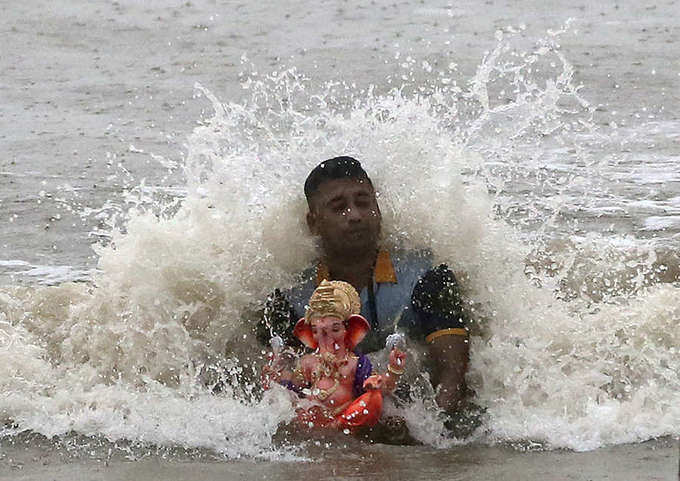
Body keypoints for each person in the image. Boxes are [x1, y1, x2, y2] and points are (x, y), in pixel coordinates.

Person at [257, 156, 470, 420]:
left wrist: (422, 436)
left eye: (363, 202)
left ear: (377, 209)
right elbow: (276, 391)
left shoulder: (429, 277)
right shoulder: (289, 297)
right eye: (339, 207)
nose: (355, 215)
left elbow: (453, 376)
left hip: (414, 422)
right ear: (314, 223)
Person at [262, 280, 407, 430]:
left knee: (373, 399)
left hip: (344, 417)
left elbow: (382, 387)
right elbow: (294, 389)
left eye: (335, 329)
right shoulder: (308, 362)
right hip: (310, 419)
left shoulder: (355, 362)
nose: (326, 337)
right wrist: (277, 379)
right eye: (317, 331)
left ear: (349, 330)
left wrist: (393, 371)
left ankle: (337, 426)